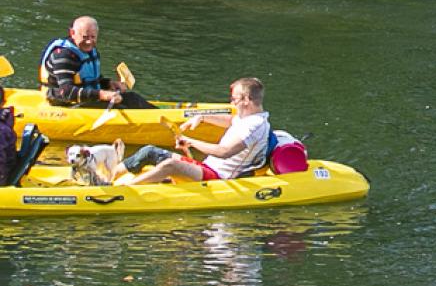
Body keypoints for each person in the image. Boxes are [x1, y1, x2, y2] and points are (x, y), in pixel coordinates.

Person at [134, 78, 270, 185]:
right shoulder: (246, 118)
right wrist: (202, 117)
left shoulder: (255, 125)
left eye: (234, 99)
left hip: (218, 176)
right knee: (149, 151)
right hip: (206, 167)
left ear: (246, 100)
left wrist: (190, 142)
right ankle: (113, 178)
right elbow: (231, 120)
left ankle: (124, 191)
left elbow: (224, 152)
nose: (231, 103)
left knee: (170, 165)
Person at [40, 17, 151, 108]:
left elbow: (87, 80)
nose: (89, 41)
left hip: (86, 98)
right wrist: (103, 94)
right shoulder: (64, 56)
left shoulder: (89, 50)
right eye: (85, 37)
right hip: (65, 104)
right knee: (120, 108)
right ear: (72, 33)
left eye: (93, 37)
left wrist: (108, 83)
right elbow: (66, 92)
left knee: (132, 98)